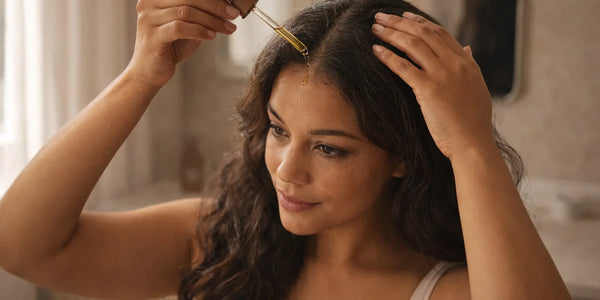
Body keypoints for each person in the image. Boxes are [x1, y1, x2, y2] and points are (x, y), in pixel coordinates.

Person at [0, 0, 570, 299]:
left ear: (402, 155)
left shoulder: (444, 291)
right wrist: (140, 77)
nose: (286, 171)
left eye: (329, 149)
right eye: (277, 130)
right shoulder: (220, 244)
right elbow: (21, 246)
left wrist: (470, 144)